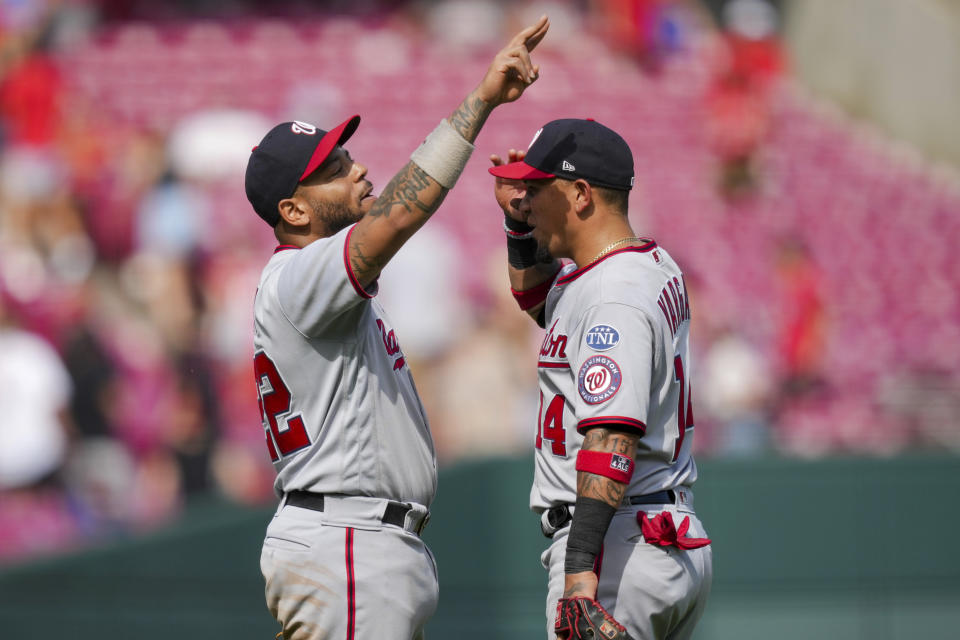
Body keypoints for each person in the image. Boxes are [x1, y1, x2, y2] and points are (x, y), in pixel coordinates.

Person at [243, 15, 549, 640]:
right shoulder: (300, 278)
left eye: (347, 154)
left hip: (354, 542)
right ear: (293, 209)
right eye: (331, 169)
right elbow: (397, 216)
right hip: (348, 539)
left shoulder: (320, 286)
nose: (355, 169)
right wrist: (482, 100)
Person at [488, 118, 712, 640]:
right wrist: (519, 227)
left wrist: (581, 571)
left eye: (537, 189)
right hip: (654, 535)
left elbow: (612, 438)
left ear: (580, 194)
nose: (525, 197)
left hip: (617, 546)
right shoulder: (638, 265)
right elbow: (544, 303)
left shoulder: (615, 295)